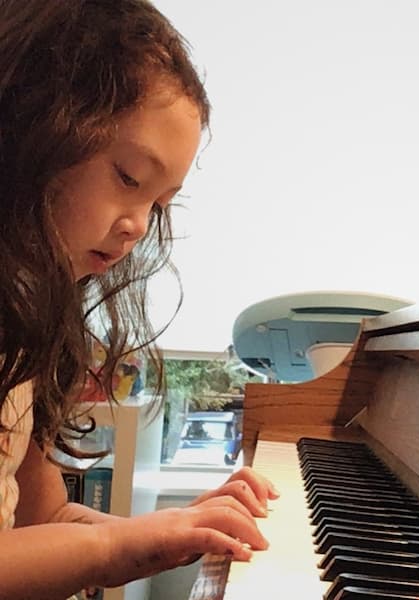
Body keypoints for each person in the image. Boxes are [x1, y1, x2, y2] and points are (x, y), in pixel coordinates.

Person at [0, 1, 279, 597]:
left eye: (159, 203)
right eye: (129, 178)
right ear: (29, 125)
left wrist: (169, 530)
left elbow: (44, 519)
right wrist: (116, 547)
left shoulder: (23, 325)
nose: (139, 225)